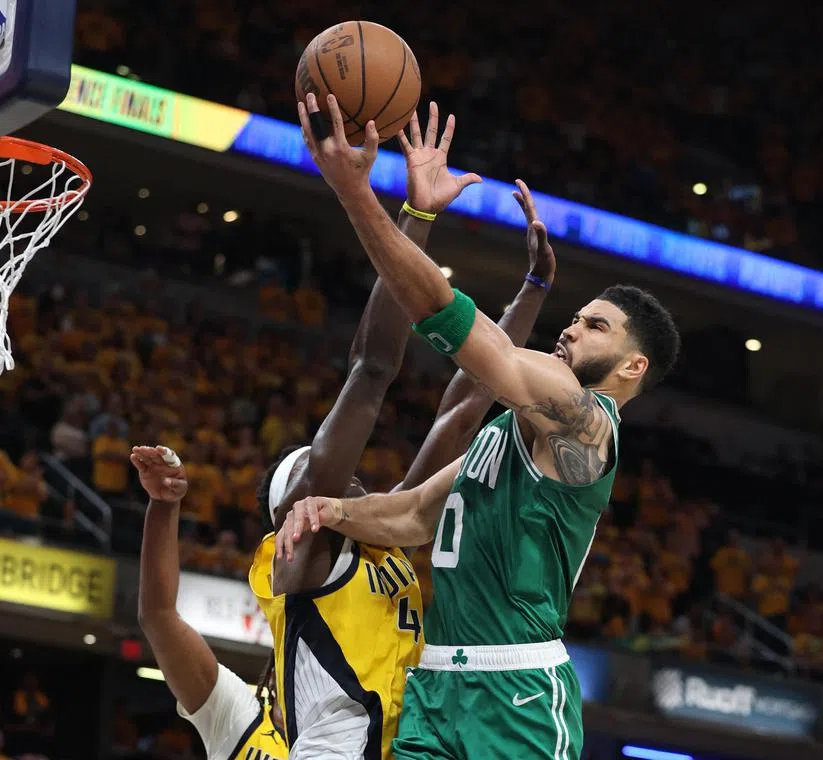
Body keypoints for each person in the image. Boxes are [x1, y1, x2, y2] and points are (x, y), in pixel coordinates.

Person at [283, 95, 681, 760]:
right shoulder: (507, 431)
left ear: (632, 366)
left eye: (595, 326)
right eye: (576, 317)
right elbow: (412, 515)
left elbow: (468, 337)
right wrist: (331, 508)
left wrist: (359, 195)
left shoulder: (583, 423)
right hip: (438, 689)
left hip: (519, 695)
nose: (572, 327)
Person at [251, 104, 555, 760]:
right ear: (291, 510)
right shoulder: (303, 559)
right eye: (317, 469)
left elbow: (469, 402)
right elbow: (371, 370)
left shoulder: (383, 545)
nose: (345, 471)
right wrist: (414, 218)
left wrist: (533, 289)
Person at [135, 444, 287, 760]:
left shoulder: (351, 736)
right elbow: (158, 615)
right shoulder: (239, 715)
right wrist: (164, 506)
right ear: (273, 671)